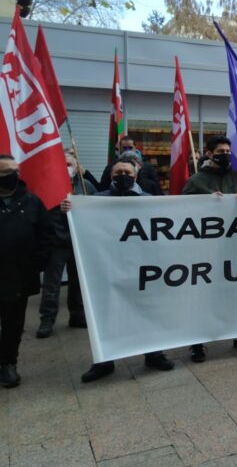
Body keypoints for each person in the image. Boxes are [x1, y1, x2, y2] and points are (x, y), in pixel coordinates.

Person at [80, 160, 175, 382]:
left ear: (136, 174)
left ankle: (154, 354)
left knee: (148, 311)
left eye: (127, 172)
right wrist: (72, 209)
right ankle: (104, 361)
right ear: (110, 175)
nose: (123, 175)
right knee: (106, 314)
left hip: (143, 266)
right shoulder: (97, 200)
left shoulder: (149, 201)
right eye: (118, 172)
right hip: (109, 267)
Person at [182, 136, 237, 361]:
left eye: (228, 150)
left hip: (234, 245)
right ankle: (197, 343)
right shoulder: (197, 181)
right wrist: (206, 202)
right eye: (220, 151)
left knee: (236, 292)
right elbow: (182, 210)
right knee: (203, 295)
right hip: (206, 249)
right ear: (208, 153)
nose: (225, 154)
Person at [0, 155, 54, 388]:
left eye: (15, 170)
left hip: (18, 276)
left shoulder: (32, 202)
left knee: (13, 323)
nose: (13, 175)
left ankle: (8, 364)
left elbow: (46, 236)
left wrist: (37, 264)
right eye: (6, 172)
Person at [37, 154, 98, 339]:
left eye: (70, 164)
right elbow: (38, 213)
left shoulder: (85, 186)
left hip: (79, 242)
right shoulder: (47, 188)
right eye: (63, 164)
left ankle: (77, 316)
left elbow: (98, 206)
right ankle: (47, 319)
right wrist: (56, 207)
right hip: (57, 243)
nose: (67, 167)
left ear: (77, 166)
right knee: (51, 284)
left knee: (78, 282)